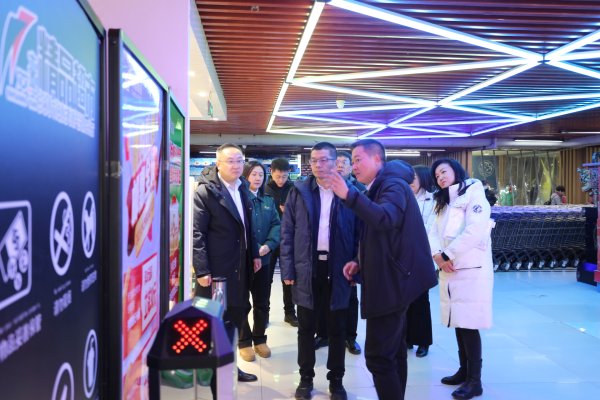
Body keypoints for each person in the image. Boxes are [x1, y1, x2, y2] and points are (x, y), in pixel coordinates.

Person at [326, 139, 438, 400]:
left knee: (378, 357)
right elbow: (380, 234)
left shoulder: (392, 185)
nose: (354, 166)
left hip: (392, 282)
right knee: (394, 351)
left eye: (358, 159)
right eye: (352, 160)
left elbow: (386, 218)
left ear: (377, 159)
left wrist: (348, 195)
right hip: (392, 278)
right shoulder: (380, 186)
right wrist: (360, 260)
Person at [280, 142, 358, 400]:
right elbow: (287, 232)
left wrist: (357, 267)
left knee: (337, 329)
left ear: (336, 162)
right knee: (306, 328)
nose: (318, 165)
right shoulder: (299, 191)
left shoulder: (351, 192)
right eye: (314, 160)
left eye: (324, 160)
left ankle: (336, 381)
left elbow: (361, 235)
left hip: (339, 268)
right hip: (307, 267)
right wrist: (288, 269)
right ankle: (305, 379)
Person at [192, 143, 261, 383]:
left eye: (239, 160)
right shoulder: (206, 192)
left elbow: (247, 226)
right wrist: (202, 269)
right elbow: (197, 233)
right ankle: (208, 371)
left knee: (234, 317)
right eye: (230, 161)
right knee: (213, 320)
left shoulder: (242, 188)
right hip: (216, 271)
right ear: (218, 164)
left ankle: (228, 368)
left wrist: (254, 254)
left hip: (239, 268)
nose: (236, 165)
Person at [428, 158, 494, 400]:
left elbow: (474, 230)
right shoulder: (444, 200)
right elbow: (433, 230)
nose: (441, 177)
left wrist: (447, 254)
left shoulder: (474, 194)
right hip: (449, 268)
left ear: (456, 171)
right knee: (458, 320)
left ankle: (475, 381)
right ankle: (464, 371)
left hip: (470, 269)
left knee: (469, 323)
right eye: (437, 175)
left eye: (443, 172)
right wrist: (438, 255)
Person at [238, 161, 281, 362]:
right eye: (254, 174)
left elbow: (276, 224)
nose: (257, 178)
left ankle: (260, 339)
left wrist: (268, 245)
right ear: (246, 175)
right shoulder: (238, 198)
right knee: (241, 302)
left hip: (264, 260)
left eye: (261, 175)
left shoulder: (268, 201)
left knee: (262, 301)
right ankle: (244, 341)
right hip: (243, 260)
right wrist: (254, 249)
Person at [336, 151, 364, 355]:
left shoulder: (359, 191)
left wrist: (358, 258)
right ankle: (325, 334)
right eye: (336, 162)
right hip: (327, 253)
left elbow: (362, 229)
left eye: (344, 163)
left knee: (350, 298)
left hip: (350, 253)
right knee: (325, 296)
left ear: (351, 167)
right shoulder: (324, 188)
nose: (339, 166)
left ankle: (350, 337)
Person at [406, 165, 435, 358]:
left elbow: (431, 228)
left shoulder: (434, 200)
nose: (410, 182)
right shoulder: (405, 197)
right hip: (404, 256)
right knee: (405, 299)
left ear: (423, 178)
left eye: (413, 178)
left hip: (423, 256)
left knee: (421, 300)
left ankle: (423, 341)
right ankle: (407, 338)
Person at [265, 158, 298, 327]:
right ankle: (263, 314)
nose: (281, 180)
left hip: (288, 240)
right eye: (278, 176)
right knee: (265, 279)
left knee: (288, 278)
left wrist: (289, 211)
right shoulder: (264, 189)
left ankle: (290, 313)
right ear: (271, 172)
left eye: (284, 177)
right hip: (269, 240)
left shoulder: (294, 189)